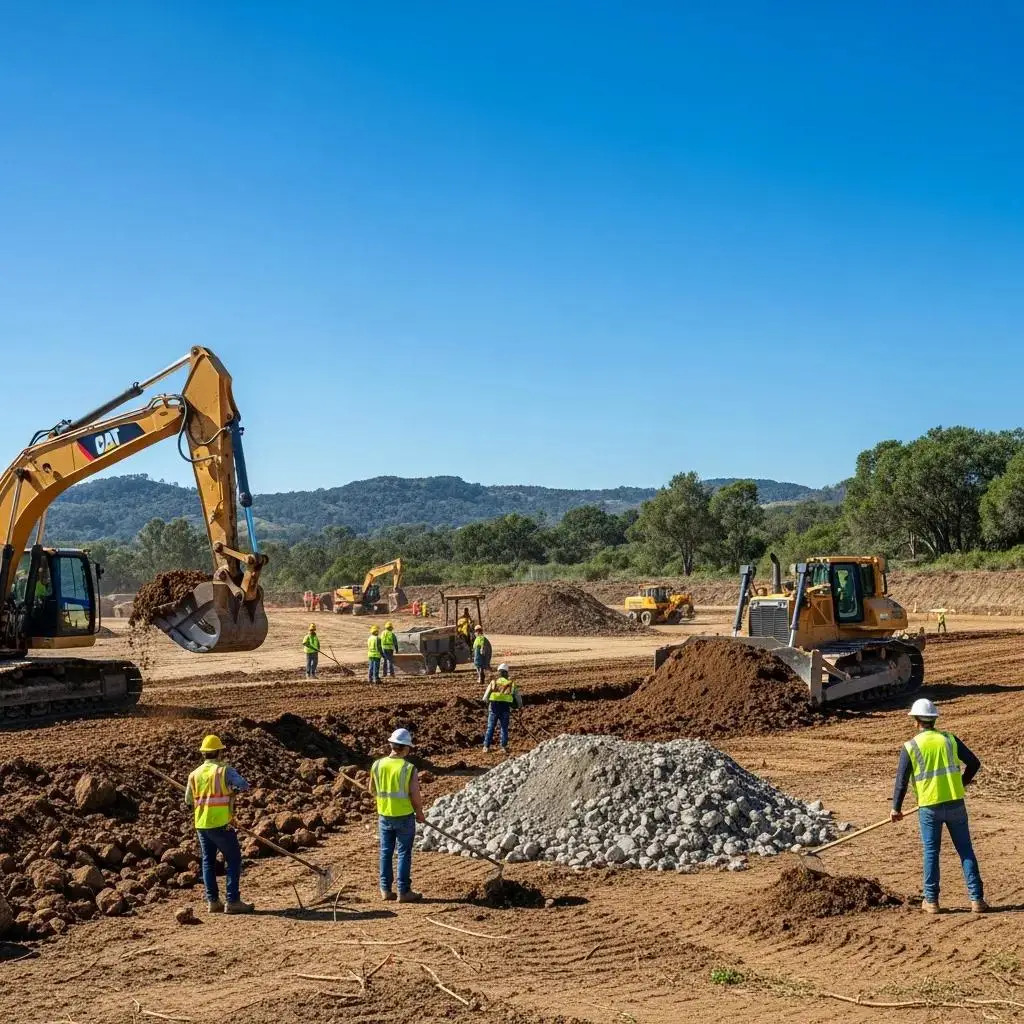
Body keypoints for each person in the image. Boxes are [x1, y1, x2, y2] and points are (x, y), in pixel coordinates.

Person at [891, 697, 986, 914]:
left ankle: (932, 901)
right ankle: (977, 900)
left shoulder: (911, 747)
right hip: (955, 803)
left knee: (931, 852)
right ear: (934, 719)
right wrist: (960, 783)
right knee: (965, 850)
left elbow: (901, 782)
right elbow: (974, 763)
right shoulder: (950, 739)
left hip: (929, 808)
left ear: (916, 721)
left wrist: (896, 808)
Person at [185, 734, 253, 914]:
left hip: (202, 825)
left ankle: (213, 902)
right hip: (221, 823)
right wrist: (232, 790)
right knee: (234, 859)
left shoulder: (194, 774)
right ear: (219, 752)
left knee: (208, 862)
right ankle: (232, 901)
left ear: (204, 754)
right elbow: (244, 785)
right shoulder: (224, 770)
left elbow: (188, 800)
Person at [369, 728, 425, 903]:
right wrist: (420, 813)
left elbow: (372, 789)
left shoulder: (377, 765)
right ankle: (404, 891)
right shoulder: (408, 768)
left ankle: (385, 889)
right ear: (406, 748)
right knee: (403, 853)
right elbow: (414, 794)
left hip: (384, 815)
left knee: (386, 852)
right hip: (404, 816)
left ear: (392, 745)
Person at [482, 663, 522, 754]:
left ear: (498, 672)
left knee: (490, 727)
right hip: (505, 709)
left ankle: (486, 747)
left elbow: (485, 698)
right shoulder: (511, 684)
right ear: (507, 673)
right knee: (504, 728)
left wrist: (489, 703)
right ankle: (504, 747)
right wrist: (519, 707)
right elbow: (518, 699)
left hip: (493, 708)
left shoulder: (493, 682)